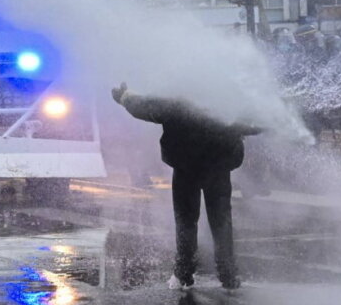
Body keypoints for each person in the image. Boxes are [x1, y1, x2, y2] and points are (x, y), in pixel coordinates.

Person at [111, 83, 261, 292]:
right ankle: (228, 276)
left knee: (186, 222)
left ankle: (183, 275)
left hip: (185, 168)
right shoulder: (226, 99)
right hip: (217, 168)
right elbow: (251, 123)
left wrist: (125, 98)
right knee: (221, 223)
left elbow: (147, 108)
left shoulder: (178, 99)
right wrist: (278, 119)